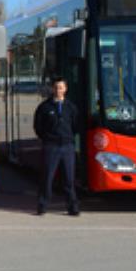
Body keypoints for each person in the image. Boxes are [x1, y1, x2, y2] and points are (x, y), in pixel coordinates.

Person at [33, 77, 80, 216]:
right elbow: (38, 126)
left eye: (61, 88)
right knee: (47, 178)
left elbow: (76, 126)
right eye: (56, 87)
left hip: (67, 147)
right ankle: (42, 206)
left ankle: (72, 207)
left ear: (65, 89)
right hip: (51, 147)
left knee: (69, 179)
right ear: (52, 89)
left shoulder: (71, 107)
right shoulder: (44, 107)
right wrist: (47, 139)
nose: (58, 90)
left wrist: (68, 138)